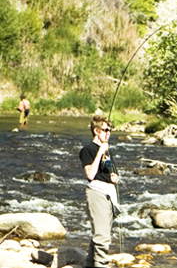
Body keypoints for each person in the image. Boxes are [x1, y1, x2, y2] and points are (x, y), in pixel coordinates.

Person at [79, 115, 119, 268]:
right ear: (96, 131)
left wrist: (114, 178)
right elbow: (90, 174)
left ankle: (89, 265)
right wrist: (100, 152)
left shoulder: (107, 151)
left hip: (109, 194)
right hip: (96, 193)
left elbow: (107, 173)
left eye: (110, 130)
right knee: (102, 236)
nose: (108, 133)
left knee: (101, 233)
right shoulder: (88, 150)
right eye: (105, 130)